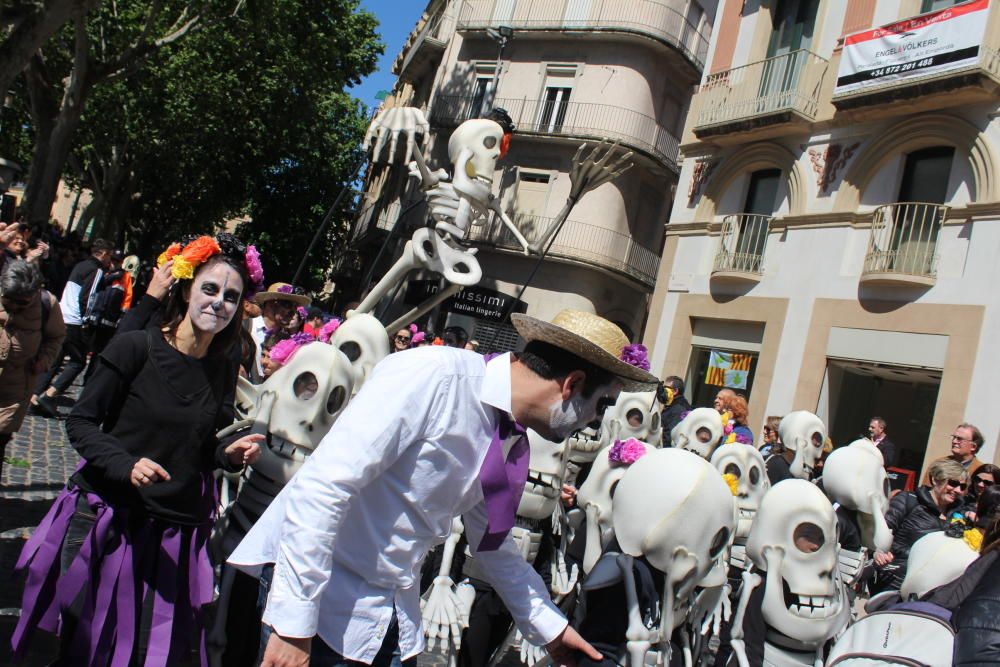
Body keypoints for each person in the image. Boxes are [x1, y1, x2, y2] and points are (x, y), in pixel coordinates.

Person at [228, 309, 658, 666]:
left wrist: (551, 629)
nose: (594, 422)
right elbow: (325, 486)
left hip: (389, 614)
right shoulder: (433, 376)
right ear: (573, 384)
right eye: (600, 405)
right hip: (321, 605)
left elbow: (492, 545)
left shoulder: (508, 436)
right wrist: (293, 625)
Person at [11, 234, 266, 663]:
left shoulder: (223, 367)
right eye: (210, 289)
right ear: (186, 290)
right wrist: (125, 464)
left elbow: (204, 446)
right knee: (80, 648)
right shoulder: (136, 347)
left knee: (143, 652)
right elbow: (82, 421)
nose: (219, 303)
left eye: (231, 296)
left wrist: (228, 455)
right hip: (107, 520)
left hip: (175, 534)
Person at [32, 238, 115, 417]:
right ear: (104, 254)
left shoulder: (81, 265)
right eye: (110, 257)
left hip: (61, 314)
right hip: (75, 320)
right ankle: (49, 394)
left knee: (56, 359)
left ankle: (34, 395)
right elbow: (89, 296)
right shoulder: (96, 270)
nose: (110, 261)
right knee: (78, 361)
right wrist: (87, 320)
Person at [0, 260, 66, 477]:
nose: (16, 308)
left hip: (14, 389)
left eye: (23, 303)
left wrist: (44, 360)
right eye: (10, 302)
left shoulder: (47, 304)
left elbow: (56, 337)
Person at [873, 458, 968, 590]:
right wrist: (879, 552)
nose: (958, 490)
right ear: (935, 480)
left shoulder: (960, 514)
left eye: (962, 487)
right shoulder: (908, 500)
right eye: (953, 483)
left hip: (935, 585)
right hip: (899, 578)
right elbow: (884, 529)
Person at [249, 282, 310, 377]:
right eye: (287, 305)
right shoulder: (246, 327)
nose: (293, 312)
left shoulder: (288, 342)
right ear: (271, 304)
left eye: (295, 307)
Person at [659, 375, 691, 445]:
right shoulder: (671, 405)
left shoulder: (679, 409)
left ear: (675, 391)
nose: (662, 391)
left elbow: (670, 437)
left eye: (665, 388)